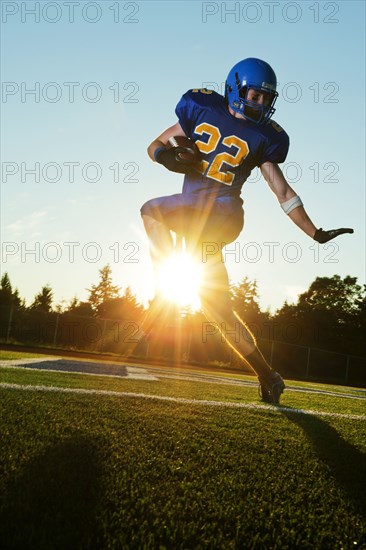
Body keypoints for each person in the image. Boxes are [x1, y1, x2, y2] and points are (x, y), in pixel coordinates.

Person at [140, 57, 353, 404]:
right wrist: (166, 157)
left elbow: (283, 193)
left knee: (151, 211)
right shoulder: (200, 107)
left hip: (222, 216)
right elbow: (155, 146)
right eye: (255, 95)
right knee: (217, 310)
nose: (260, 104)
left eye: (266, 99)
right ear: (235, 87)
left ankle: (162, 288)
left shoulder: (263, 137)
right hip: (194, 222)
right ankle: (268, 376)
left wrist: (314, 232)